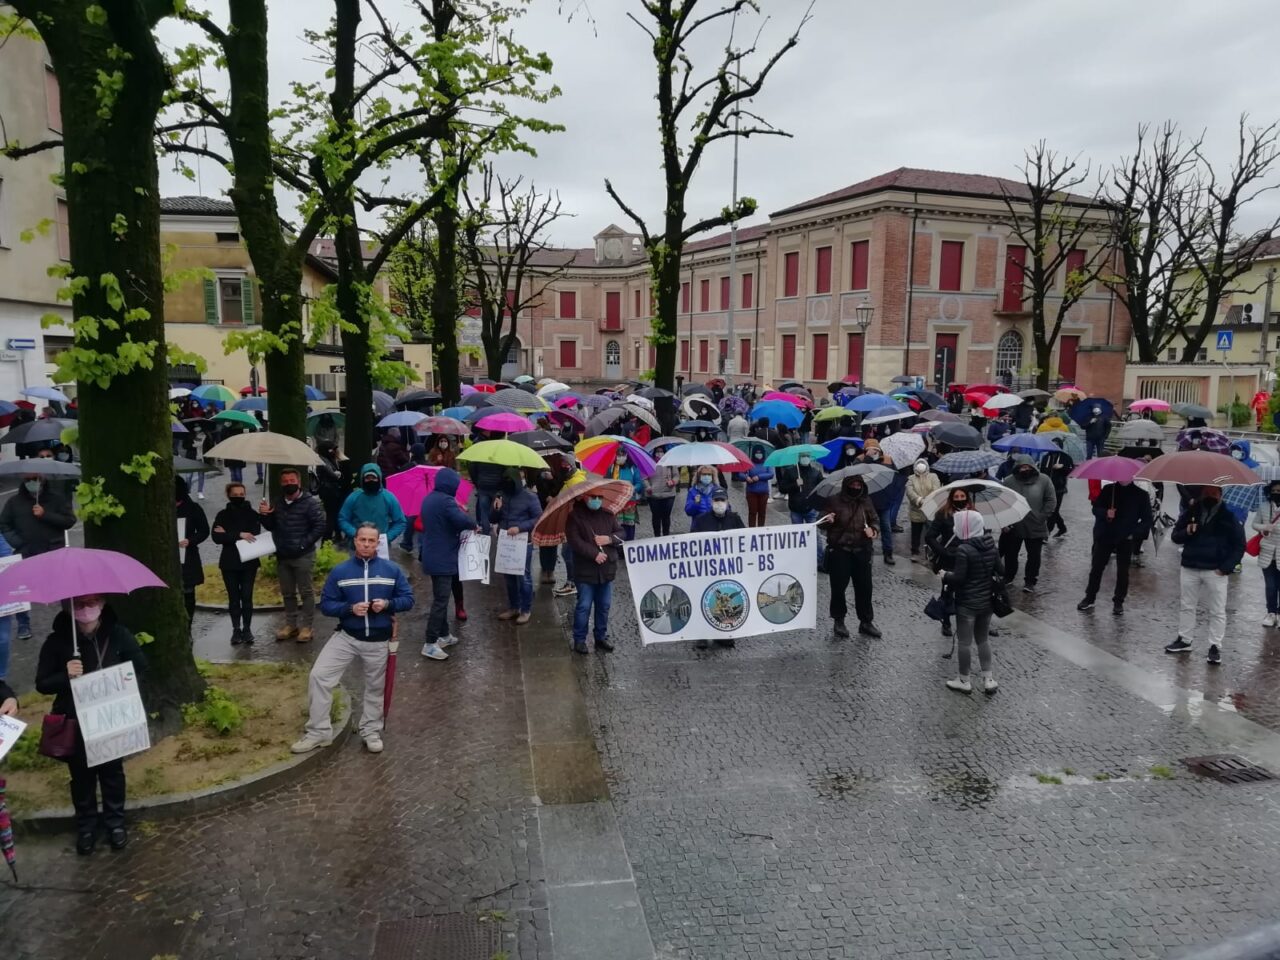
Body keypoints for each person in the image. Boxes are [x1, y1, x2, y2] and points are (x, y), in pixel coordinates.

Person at [36, 594, 146, 854]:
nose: (87, 610)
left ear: (103, 604)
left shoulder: (118, 634)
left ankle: (115, 822)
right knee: (82, 778)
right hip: (75, 719)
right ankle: (86, 826)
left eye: (92, 603)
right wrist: (66, 675)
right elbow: (42, 683)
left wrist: (119, 680)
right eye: (80, 604)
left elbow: (140, 665)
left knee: (112, 773)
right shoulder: (57, 642)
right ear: (70, 608)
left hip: (110, 717)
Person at [292, 522, 414, 756]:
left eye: (371, 540)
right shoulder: (341, 571)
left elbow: (408, 599)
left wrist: (387, 604)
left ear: (378, 543)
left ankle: (370, 730)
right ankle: (319, 732)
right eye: (362, 540)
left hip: (379, 640)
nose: (367, 544)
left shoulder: (392, 570)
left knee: (375, 688)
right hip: (346, 636)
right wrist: (349, 609)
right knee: (319, 676)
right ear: (355, 541)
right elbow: (327, 605)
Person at [1166, 486, 1245, 665]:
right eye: (1206, 493)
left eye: (1213, 493)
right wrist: (1187, 531)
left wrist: (1225, 568)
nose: (1209, 496)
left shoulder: (1229, 517)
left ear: (1220, 495)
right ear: (1201, 494)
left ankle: (1215, 646)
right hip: (1190, 566)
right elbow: (1175, 537)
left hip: (1215, 570)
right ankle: (1184, 639)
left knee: (1217, 610)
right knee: (1187, 605)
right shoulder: (1190, 512)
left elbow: (1239, 545)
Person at [0, 466, 75, 640]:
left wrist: (45, 514)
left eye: (36, 479)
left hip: (54, 551)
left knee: (64, 589)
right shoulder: (14, 502)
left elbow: (69, 521)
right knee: (21, 590)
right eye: (28, 480)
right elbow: (3, 525)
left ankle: (69, 621)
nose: (32, 483)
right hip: (27, 552)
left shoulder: (57, 499)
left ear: (43, 480)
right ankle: (23, 624)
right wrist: (18, 542)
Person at [259, 467, 327, 642]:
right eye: (285, 482)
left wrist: (303, 544)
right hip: (283, 555)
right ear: (281, 483)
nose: (289, 484)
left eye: (292, 481)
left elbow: (319, 526)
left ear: (299, 482)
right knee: (287, 593)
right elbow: (271, 526)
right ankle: (291, 624)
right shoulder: (278, 502)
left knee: (306, 592)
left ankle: (307, 627)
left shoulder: (310, 503)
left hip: (303, 556)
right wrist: (264, 515)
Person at [418, 467, 476, 661]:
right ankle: (430, 642)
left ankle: (443, 635)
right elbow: (462, 521)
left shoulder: (429, 498)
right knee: (441, 600)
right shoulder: (446, 502)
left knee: (440, 597)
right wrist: (473, 523)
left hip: (432, 555)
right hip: (443, 558)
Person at [943, 510, 1002, 695]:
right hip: (986, 602)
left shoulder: (964, 549)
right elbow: (1001, 570)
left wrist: (945, 575)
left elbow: (959, 578)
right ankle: (988, 679)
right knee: (983, 639)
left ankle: (964, 680)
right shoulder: (991, 545)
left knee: (965, 643)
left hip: (967, 604)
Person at [1076, 476, 1152, 615]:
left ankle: (1118, 601)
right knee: (1097, 568)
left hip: (1125, 538)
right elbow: (1096, 508)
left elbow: (1147, 519)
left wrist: (1134, 534)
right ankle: (1090, 597)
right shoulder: (1108, 490)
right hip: (1105, 535)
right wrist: (1106, 513)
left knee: (1122, 571)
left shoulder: (1141, 494)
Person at [819, 472, 880, 639]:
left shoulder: (866, 500)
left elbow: (875, 519)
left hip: (862, 550)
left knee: (865, 588)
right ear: (846, 486)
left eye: (858, 485)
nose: (856, 488)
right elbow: (821, 521)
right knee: (838, 588)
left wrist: (873, 530)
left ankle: (866, 622)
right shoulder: (833, 501)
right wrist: (828, 520)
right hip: (840, 551)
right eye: (853, 485)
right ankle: (839, 620)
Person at [565, 492, 624, 654]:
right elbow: (575, 541)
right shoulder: (575, 517)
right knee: (584, 605)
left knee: (604, 605)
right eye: (593, 497)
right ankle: (579, 639)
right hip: (585, 570)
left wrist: (609, 539)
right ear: (585, 497)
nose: (597, 500)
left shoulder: (608, 515)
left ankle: (600, 637)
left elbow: (621, 534)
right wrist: (594, 554)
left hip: (606, 569)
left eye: (600, 497)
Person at [211, 482, 262, 644]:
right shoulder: (222, 515)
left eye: (242, 494)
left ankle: (247, 629)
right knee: (233, 598)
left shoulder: (253, 514)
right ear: (228, 495)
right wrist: (240, 534)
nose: (239, 497)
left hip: (249, 561)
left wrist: (229, 534)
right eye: (236, 494)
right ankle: (236, 629)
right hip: (229, 562)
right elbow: (216, 537)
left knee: (247, 596)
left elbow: (254, 534)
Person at [492, 468, 542, 625]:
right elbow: (492, 517)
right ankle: (514, 607)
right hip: (505, 541)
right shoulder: (502, 495)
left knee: (523, 576)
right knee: (508, 577)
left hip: (522, 541)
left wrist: (520, 528)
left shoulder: (530, 497)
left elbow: (538, 517)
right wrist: (496, 508)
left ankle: (526, 609)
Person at [1000, 455, 1057, 593]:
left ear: (1033, 467)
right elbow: (1002, 502)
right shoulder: (1008, 481)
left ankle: (1030, 581)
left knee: (1034, 556)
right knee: (1010, 554)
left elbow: (1051, 500)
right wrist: (1004, 522)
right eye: (1021, 467)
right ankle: (1009, 576)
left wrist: (1042, 516)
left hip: (1036, 524)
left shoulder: (1044, 480)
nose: (1024, 469)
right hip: (1014, 524)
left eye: (1027, 467)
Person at [338, 464, 406, 547]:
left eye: (374, 478)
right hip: (357, 545)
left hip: (381, 545)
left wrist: (387, 537)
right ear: (363, 479)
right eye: (367, 478)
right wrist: (355, 534)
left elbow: (400, 521)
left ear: (379, 478)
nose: (371, 480)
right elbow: (343, 519)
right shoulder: (354, 497)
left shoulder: (389, 497)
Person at [174, 476, 210, 625]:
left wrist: (190, 540)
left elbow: (204, 531)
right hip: (169, 559)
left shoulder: (193, 508)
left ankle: (187, 624)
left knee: (188, 592)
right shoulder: (160, 507)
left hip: (188, 557)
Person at [1254, 480, 1280, 626]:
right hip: (1267, 552)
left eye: (1279, 491)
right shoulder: (1264, 506)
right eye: (1274, 491)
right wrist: (1265, 527)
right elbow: (1254, 524)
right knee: (1270, 586)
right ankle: (1271, 612)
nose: (1277, 493)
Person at [905, 458, 941, 558]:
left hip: (930, 510)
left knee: (931, 533)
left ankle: (930, 552)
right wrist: (920, 500)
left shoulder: (933, 476)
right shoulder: (911, 478)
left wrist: (928, 500)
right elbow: (909, 492)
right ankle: (914, 552)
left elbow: (936, 489)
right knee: (916, 533)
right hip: (916, 510)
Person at [605, 448, 643, 540]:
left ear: (627, 456)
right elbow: (606, 482)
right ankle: (619, 546)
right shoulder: (612, 468)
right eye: (618, 455)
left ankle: (629, 545)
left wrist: (633, 488)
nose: (620, 457)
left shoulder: (632, 468)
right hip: (616, 502)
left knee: (629, 525)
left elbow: (639, 483)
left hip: (629, 502)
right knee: (617, 525)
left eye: (623, 455)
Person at [1040, 438, 1074, 538]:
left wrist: (1062, 468)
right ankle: (1062, 527)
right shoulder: (1046, 457)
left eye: (1056, 445)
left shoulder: (1066, 457)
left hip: (1059, 488)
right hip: (1046, 487)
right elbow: (1042, 471)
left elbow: (1071, 471)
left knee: (1053, 510)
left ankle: (1047, 532)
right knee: (1052, 509)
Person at [315, 444, 346, 542]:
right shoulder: (323, 461)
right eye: (331, 449)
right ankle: (326, 538)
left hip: (331, 491)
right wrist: (338, 474)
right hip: (329, 492)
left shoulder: (328, 459)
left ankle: (337, 535)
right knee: (331, 515)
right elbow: (332, 474)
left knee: (334, 514)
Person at [645, 460, 679, 537]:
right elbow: (644, 477)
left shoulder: (670, 462)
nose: (659, 453)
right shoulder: (648, 462)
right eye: (657, 451)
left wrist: (673, 481)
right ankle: (657, 536)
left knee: (666, 516)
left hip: (668, 494)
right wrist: (648, 486)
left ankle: (666, 536)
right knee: (656, 516)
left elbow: (676, 475)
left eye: (661, 451)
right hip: (653, 494)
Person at [743, 448, 774, 528]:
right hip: (751, 492)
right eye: (757, 453)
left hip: (764, 492)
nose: (759, 454)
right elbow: (741, 474)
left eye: (760, 453)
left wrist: (759, 477)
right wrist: (746, 477)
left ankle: (761, 530)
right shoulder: (749, 463)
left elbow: (771, 474)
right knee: (752, 512)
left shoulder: (767, 463)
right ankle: (751, 530)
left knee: (762, 513)